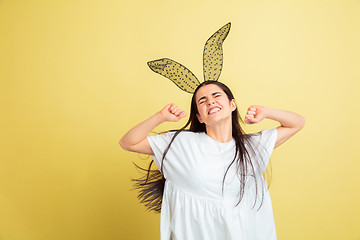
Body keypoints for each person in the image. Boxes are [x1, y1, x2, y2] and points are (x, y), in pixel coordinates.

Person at [119, 80, 305, 240]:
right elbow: (128, 142)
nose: (211, 102)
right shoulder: (182, 144)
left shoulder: (251, 147)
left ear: (232, 104)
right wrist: (161, 117)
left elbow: (297, 123)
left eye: (216, 95)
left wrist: (265, 112)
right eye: (203, 100)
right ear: (199, 116)